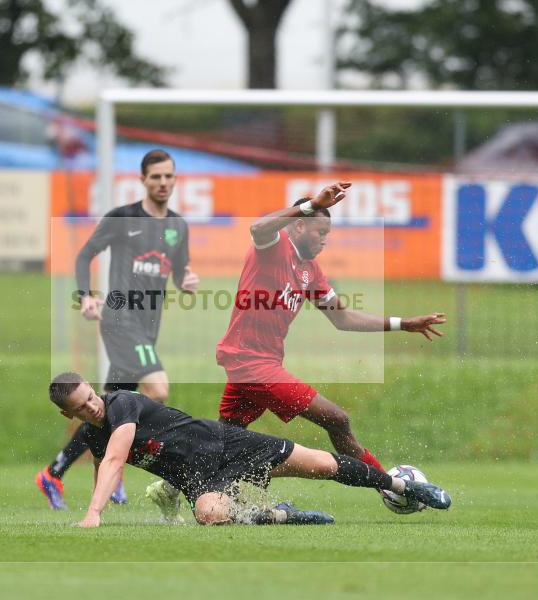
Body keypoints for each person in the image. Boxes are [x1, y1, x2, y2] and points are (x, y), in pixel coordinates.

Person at [147, 181, 446, 520]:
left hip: (259, 366)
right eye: (320, 231)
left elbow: (342, 318)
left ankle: (171, 486)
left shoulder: (310, 271)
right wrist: (307, 205)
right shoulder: (273, 248)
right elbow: (257, 226)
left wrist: (402, 324)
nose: (324, 239)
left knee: (224, 444)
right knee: (337, 419)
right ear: (300, 225)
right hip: (252, 364)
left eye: (328, 234)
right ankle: (388, 484)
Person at [47, 372, 451, 528]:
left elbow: (118, 457)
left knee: (321, 464)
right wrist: (105, 491)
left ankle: (401, 486)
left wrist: (93, 514)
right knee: (209, 515)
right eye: (81, 407)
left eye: (90, 396)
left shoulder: (121, 402)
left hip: (223, 441)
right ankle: (279, 516)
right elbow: (106, 465)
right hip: (198, 476)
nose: (92, 405)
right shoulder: (93, 433)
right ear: (69, 412)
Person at [36, 149, 200, 511]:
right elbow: (83, 256)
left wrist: (186, 279)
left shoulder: (177, 226)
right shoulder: (122, 218)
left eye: (168, 176)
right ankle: (118, 465)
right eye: (155, 176)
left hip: (148, 324)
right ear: (142, 180)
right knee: (157, 389)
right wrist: (86, 297)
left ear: (175, 179)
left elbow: (176, 272)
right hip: (120, 316)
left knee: (106, 408)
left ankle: (54, 472)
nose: (162, 183)